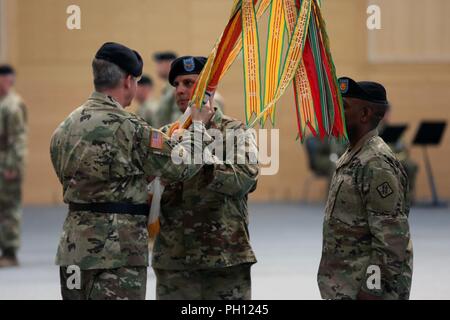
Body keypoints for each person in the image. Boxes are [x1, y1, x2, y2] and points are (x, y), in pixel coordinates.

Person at [50, 43, 215, 300]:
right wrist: (198, 129)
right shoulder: (130, 127)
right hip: (117, 253)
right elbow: (181, 166)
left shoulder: (65, 127)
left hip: (73, 250)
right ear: (128, 81)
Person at [152, 56, 259, 300]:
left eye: (189, 83)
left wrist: (197, 155)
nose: (180, 90)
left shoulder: (236, 132)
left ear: (209, 89)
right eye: (176, 84)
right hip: (175, 260)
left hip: (224, 258)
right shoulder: (165, 135)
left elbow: (244, 180)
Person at [317, 77, 413, 300]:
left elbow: (391, 241)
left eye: (344, 107)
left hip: (365, 291)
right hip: (346, 283)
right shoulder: (354, 155)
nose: (335, 112)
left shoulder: (376, 163)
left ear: (365, 114)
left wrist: (371, 291)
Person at [0, 65, 27, 268]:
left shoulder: (12, 105)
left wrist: (13, 166)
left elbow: (18, 139)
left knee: (9, 209)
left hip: (7, 165)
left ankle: (10, 252)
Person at [152, 51, 180, 127]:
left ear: (169, 64)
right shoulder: (167, 88)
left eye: (159, 63)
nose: (157, 67)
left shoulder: (176, 87)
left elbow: (178, 116)